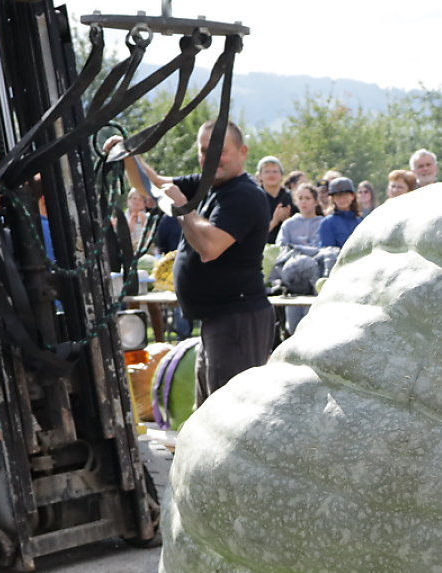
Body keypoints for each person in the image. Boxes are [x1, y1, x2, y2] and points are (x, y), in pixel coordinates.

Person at [111, 119, 272, 407]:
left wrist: (183, 208)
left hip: (237, 318)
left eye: (220, 151)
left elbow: (210, 247)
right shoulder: (207, 184)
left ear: (242, 152)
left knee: (230, 415)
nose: (210, 159)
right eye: (204, 151)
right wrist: (128, 155)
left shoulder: (244, 195)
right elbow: (153, 186)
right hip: (217, 319)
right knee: (208, 414)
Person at [278, 183, 325, 334]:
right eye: (300, 198)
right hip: (291, 280)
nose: (304, 202)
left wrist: (296, 248)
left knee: (309, 322)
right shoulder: (288, 224)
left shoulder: (322, 223)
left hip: (313, 279)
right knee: (292, 326)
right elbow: (281, 249)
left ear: (316, 201)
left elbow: (320, 250)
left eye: (308, 198)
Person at [255, 155, 292, 243]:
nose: (271, 175)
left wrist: (287, 221)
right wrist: (275, 221)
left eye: (275, 171)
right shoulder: (254, 197)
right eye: (267, 172)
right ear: (260, 176)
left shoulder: (291, 197)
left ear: (281, 175)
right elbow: (251, 234)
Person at [318, 177, 362, 249]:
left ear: (353, 196)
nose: (341, 199)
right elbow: (328, 252)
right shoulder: (328, 223)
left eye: (345, 195)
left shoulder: (360, 221)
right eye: (337, 196)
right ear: (333, 199)